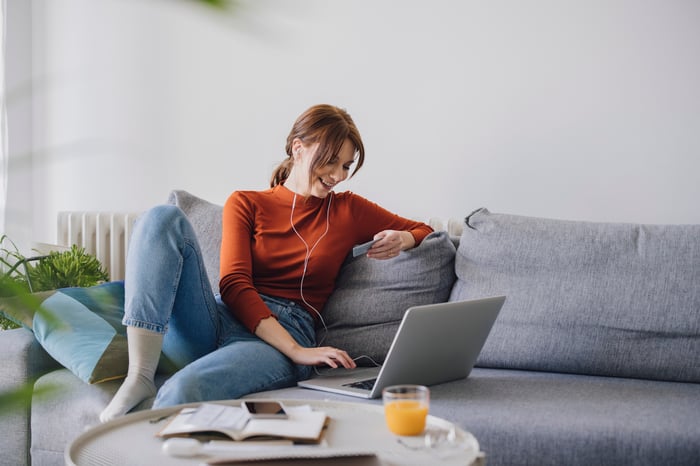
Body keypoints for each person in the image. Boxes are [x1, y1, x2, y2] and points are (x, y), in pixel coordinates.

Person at [100, 104, 433, 422]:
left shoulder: (349, 209)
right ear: (298, 148)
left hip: (285, 332)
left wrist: (404, 239)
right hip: (220, 318)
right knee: (162, 217)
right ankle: (139, 375)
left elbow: (424, 229)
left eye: (346, 166)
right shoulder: (246, 203)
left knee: (182, 391)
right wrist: (296, 351)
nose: (338, 175)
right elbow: (233, 285)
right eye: (330, 161)